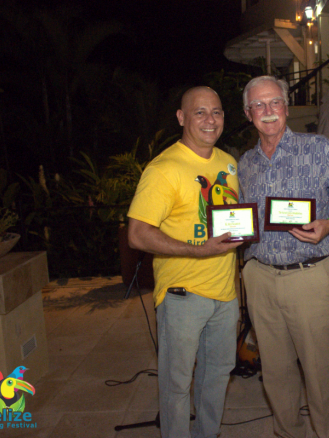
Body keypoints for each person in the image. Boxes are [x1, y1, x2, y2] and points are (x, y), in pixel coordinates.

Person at [238, 75, 329, 438]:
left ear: (286, 108)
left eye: (274, 102)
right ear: (248, 114)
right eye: (258, 105)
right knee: (275, 374)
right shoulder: (244, 164)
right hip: (260, 278)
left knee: (321, 373)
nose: (268, 110)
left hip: (310, 277)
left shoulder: (319, 148)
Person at [127, 86, 242, 438]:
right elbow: (137, 234)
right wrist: (198, 250)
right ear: (181, 117)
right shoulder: (164, 169)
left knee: (217, 376)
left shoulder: (228, 163)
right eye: (200, 112)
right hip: (182, 296)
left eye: (217, 112)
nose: (210, 120)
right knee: (177, 385)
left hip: (225, 295)